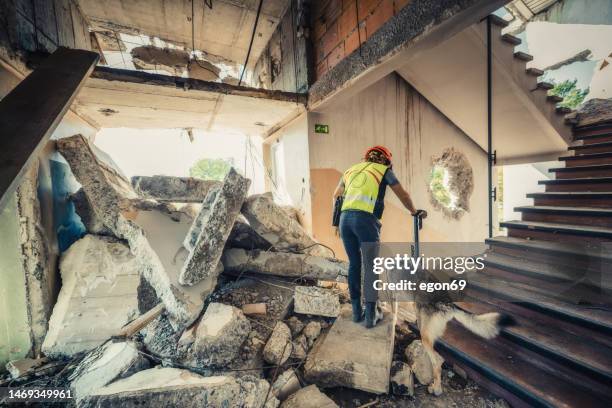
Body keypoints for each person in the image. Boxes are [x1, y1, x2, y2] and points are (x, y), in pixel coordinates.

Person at [333, 145, 427, 328]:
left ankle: (356, 313)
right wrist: (414, 212)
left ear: (366, 157)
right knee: (370, 267)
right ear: (386, 160)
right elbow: (403, 194)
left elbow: (336, 195)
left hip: (345, 220)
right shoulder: (384, 171)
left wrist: (336, 222)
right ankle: (370, 316)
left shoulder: (350, 170)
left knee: (354, 264)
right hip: (366, 221)